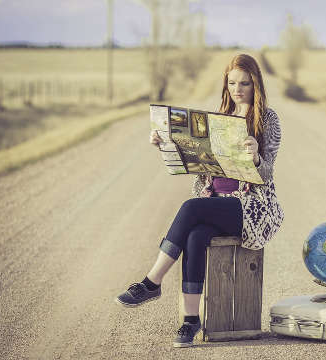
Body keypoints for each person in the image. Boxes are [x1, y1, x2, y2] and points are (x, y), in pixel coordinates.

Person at [115, 53, 284, 348]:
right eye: (232, 82)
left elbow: (268, 171)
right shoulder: (218, 116)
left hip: (251, 208)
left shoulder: (268, 119)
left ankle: (151, 282)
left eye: (245, 83)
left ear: (256, 84)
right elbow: (194, 156)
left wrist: (256, 156)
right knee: (195, 236)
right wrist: (164, 142)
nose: (237, 89)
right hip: (216, 200)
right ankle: (191, 321)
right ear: (226, 84)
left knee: (190, 207)